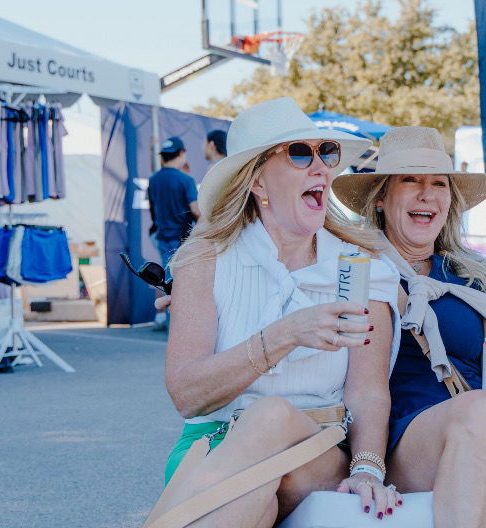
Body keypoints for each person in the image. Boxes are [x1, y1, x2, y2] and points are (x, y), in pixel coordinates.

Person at [152, 98, 403, 525]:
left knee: (271, 416)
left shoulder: (360, 266)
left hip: (318, 451)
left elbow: (368, 391)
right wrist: (284, 335)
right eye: (300, 154)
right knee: (257, 496)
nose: (320, 167)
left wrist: (367, 468)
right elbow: (187, 395)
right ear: (257, 182)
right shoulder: (204, 259)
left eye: (327, 153)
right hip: (216, 445)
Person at [332, 126, 486, 528]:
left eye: (438, 184)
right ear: (380, 198)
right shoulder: (360, 270)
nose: (426, 193)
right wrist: (367, 467)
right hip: (403, 439)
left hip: (485, 422)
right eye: (410, 180)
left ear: (450, 201)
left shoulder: (473, 276)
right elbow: (365, 388)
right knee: (482, 411)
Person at [148, 137, 201, 330]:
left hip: (162, 237)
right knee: (181, 280)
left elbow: (153, 210)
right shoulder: (186, 180)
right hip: (182, 239)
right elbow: (195, 210)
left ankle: (165, 319)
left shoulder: (154, 180)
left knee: (166, 276)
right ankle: (177, 324)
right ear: (181, 153)